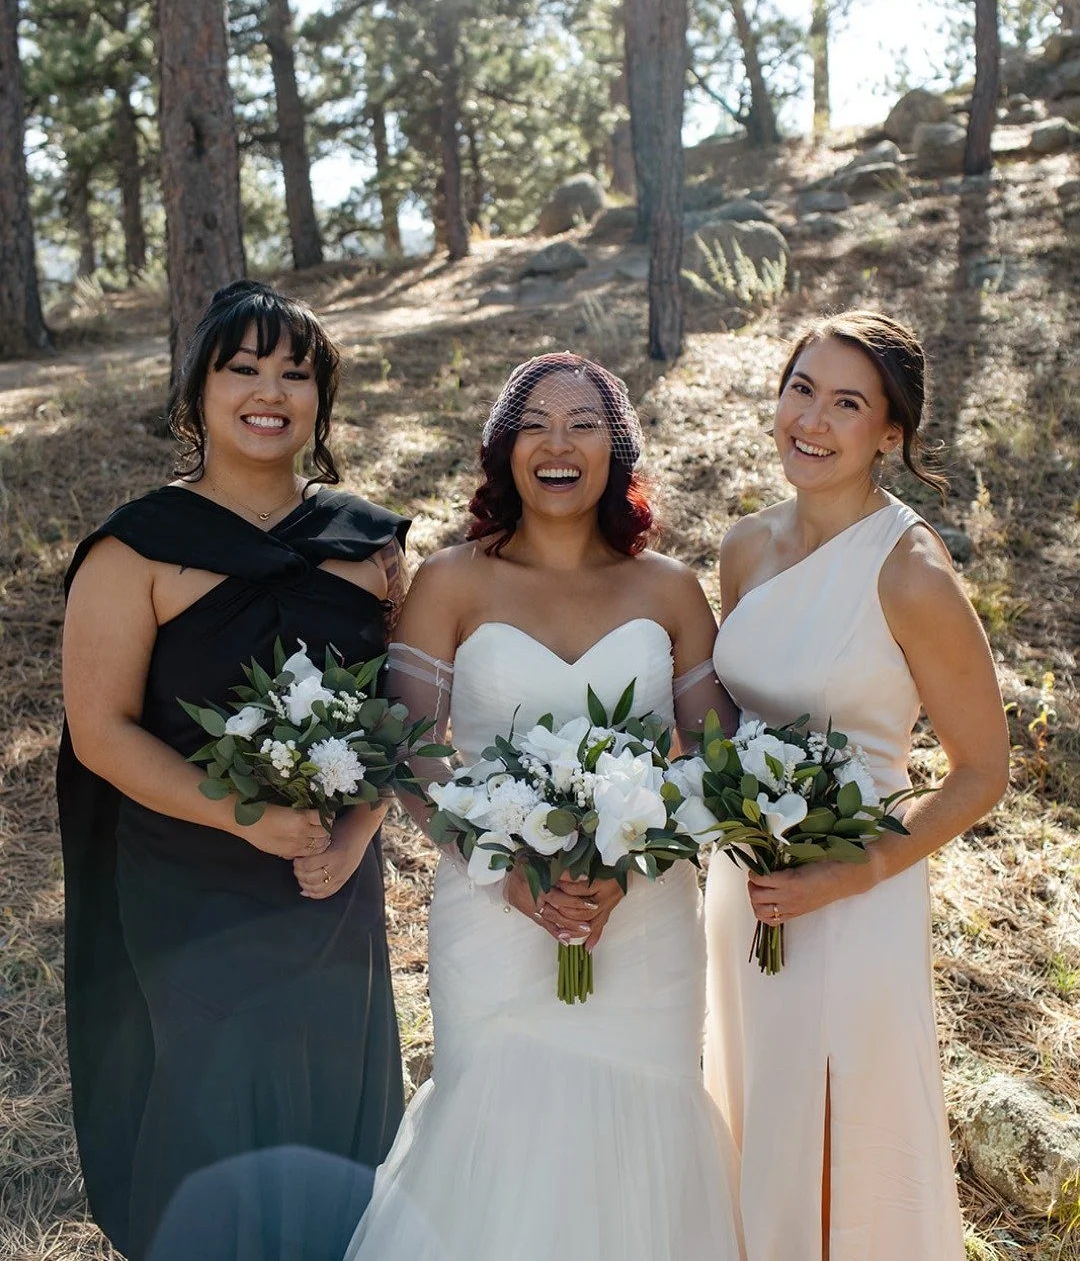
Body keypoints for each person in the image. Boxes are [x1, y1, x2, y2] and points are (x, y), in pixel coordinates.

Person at [344, 353, 743, 1261]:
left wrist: (626, 867)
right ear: (502, 450)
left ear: (619, 449)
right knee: (495, 1129)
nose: (558, 444)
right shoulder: (452, 583)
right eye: (534, 425)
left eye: (584, 424)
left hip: (643, 923)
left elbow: (722, 757)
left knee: (644, 1125)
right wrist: (509, 873)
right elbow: (408, 754)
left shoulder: (670, 590)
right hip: (490, 914)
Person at [59, 280, 408, 1260]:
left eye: (296, 373)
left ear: (321, 401)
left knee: (333, 1095)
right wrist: (243, 819)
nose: (270, 391)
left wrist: (358, 833)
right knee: (211, 1107)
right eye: (243, 368)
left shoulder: (370, 544)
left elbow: (398, 713)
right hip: (187, 881)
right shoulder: (137, 550)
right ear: (198, 392)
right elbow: (102, 731)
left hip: (330, 882)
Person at [703, 311, 1010, 1261]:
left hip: (855, 896)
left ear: (891, 434)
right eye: (803, 389)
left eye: (847, 404)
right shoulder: (745, 548)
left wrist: (846, 875)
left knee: (836, 1133)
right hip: (744, 888)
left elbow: (983, 773)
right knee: (757, 1116)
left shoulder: (909, 571)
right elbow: (727, 721)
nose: (814, 420)